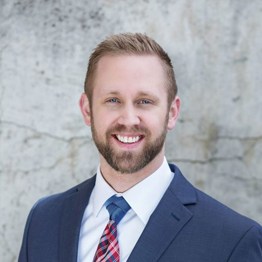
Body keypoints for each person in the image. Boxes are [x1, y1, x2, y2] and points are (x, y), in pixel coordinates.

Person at [18, 33, 262, 262]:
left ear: (172, 113)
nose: (128, 119)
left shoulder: (234, 240)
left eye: (145, 101)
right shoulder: (44, 219)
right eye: (113, 100)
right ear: (87, 110)